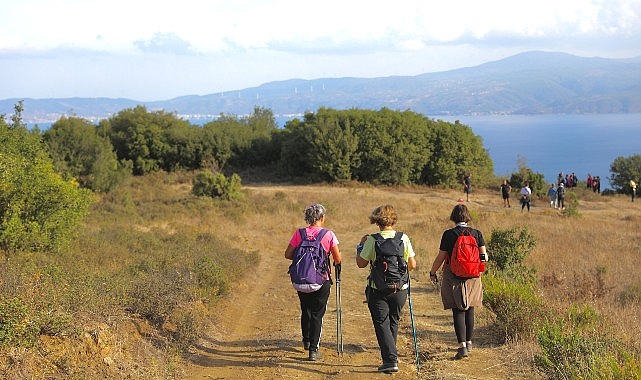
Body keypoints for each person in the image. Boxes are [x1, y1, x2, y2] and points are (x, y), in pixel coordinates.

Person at [356, 205, 417, 373]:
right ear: (393, 219)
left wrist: (360, 246)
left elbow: (361, 264)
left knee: (381, 323)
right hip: (400, 288)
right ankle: (391, 355)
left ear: (377, 220)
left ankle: (390, 360)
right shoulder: (403, 238)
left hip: (378, 289)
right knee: (393, 321)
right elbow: (412, 265)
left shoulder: (372, 239)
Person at [284, 203, 342, 361]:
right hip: (320, 280)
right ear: (322, 217)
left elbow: (288, 254)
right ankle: (314, 350)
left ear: (308, 218)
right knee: (317, 314)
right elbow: (338, 258)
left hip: (301, 280)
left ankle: (306, 341)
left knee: (306, 309)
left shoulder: (299, 233)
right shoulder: (328, 234)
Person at [429, 204, 487, 360]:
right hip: (473, 275)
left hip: (453, 274)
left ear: (453, 217)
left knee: (458, 309)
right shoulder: (477, 233)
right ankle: (469, 342)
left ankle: (462, 347)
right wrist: (478, 269)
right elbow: (484, 257)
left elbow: (441, 257)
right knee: (470, 309)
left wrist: (432, 272)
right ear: (467, 217)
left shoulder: (448, 234)